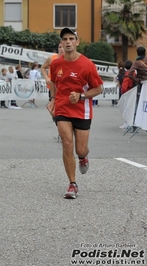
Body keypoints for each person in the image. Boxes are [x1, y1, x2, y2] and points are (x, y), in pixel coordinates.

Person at [47, 28, 103, 199]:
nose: (68, 42)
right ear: (61, 43)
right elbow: (55, 83)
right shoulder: (56, 63)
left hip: (82, 110)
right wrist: (53, 99)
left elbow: (98, 88)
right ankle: (72, 184)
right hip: (63, 108)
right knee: (67, 144)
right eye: (65, 39)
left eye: (71, 38)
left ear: (77, 42)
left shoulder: (87, 64)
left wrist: (81, 96)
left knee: (80, 149)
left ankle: (83, 157)